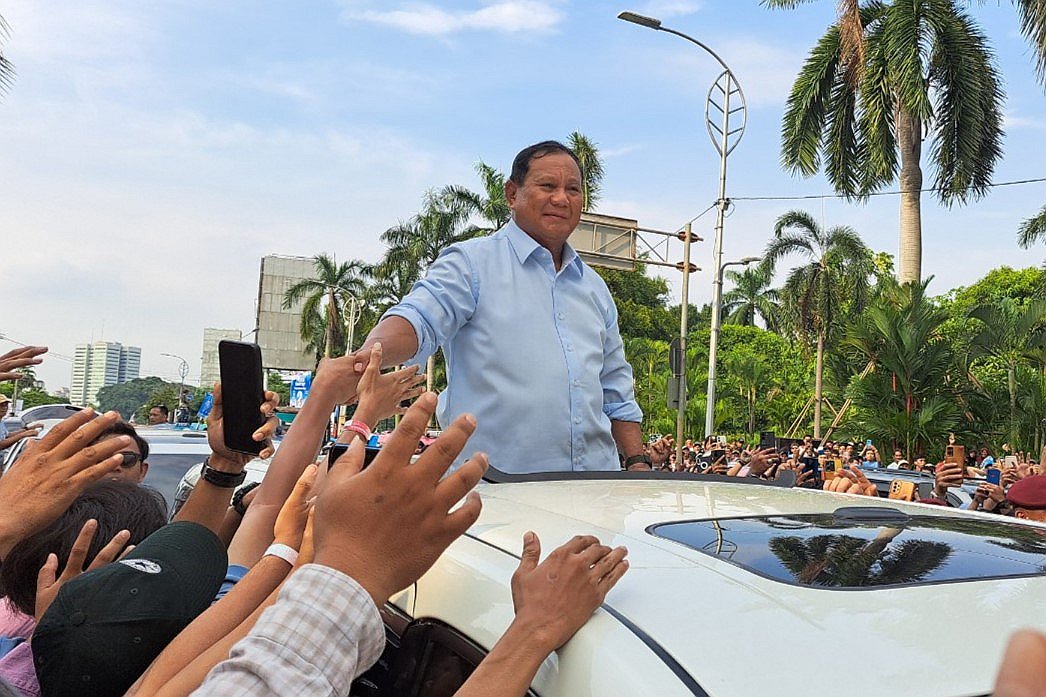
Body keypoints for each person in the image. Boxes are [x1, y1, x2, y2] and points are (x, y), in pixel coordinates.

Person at [358, 140, 647, 474]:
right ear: (512, 194)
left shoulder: (594, 288)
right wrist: (368, 357)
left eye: (573, 189)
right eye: (547, 186)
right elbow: (419, 317)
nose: (561, 199)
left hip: (596, 491)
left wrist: (637, 461)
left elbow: (616, 388)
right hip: (494, 496)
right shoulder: (471, 265)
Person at [0, 397, 39, 464]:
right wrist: (23, 435)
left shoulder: (1, 422)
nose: (4, 408)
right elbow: (1, 445)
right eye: (1, 405)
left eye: (6, 405)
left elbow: (7, 435)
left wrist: (27, 429)